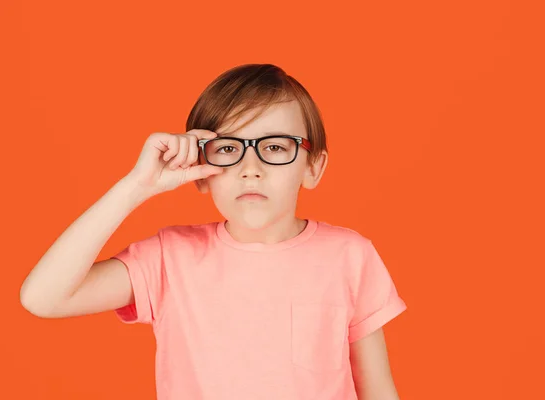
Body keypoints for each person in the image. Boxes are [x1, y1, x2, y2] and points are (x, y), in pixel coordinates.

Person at [20, 63, 408, 399]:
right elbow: (44, 298)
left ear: (313, 167)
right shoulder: (170, 258)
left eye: (275, 147)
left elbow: (377, 390)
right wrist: (136, 186)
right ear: (200, 173)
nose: (250, 168)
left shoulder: (349, 256)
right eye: (228, 148)